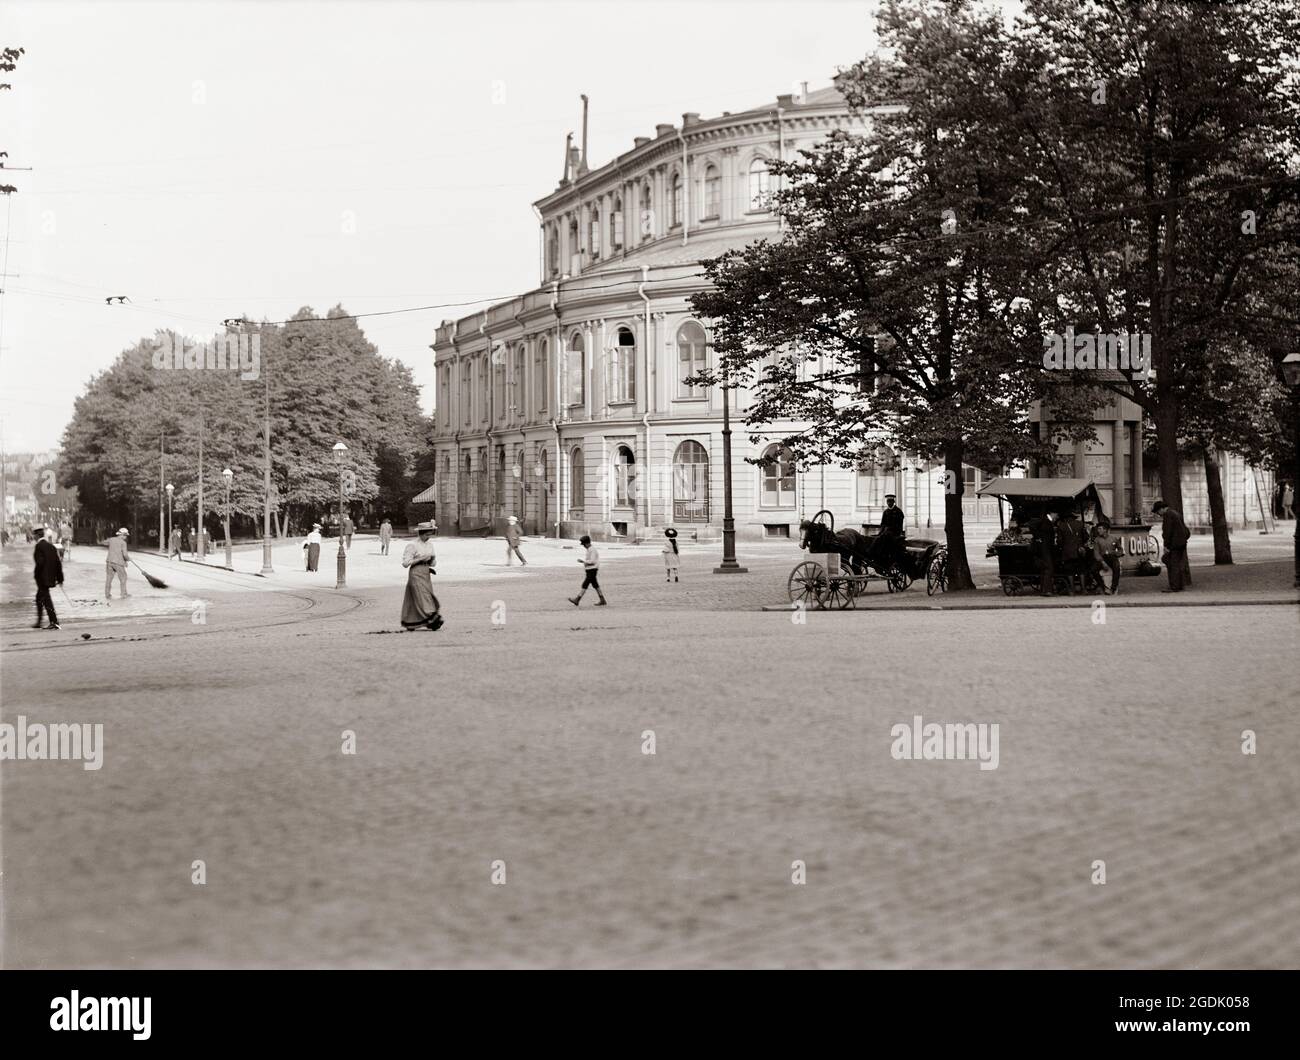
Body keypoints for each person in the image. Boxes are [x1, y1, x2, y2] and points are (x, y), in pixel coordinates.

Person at [400, 520, 443, 631]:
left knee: (424, 596)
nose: (429, 537)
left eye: (430, 534)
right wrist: (420, 559)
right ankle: (432, 618)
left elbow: (433, 562)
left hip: (426, 573)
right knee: (421, 596)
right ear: (422, 533)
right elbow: (405, 563)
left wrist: (432, 560)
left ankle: (413, 621)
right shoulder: (412, 545)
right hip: (416, 573)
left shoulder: (430, 544)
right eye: (427, 534)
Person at [1152, 500, 1191, 592]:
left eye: (1158, 512)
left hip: (1174, 544)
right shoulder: (1175, 513)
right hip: (1181, 543)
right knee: (1176, 564)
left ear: (1161, 509)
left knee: (1173, 564)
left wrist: (1166, 546)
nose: (1158, 514)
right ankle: (1180, 584)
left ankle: (1174, 586)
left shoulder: (1168, 515)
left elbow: (1167, 532)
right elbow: (1186, 530)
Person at [33, 526, 64, 630]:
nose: (33, 537)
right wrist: (60, 578)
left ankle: (54, 621)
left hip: (42, 578)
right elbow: (58, 563)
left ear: (37, 536)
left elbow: (40, 563)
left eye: (34, 535)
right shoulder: (51, 546)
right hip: (49, 578)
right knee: (39, 599)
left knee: (46, 600)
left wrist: (36, 574)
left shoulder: (39, 547)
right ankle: (39, 622)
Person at [569, 535, 607, 606]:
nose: (583, 546)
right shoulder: (590, 549)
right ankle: (602, 600)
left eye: (583, 544)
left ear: (587, 543)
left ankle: (577, 599)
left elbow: (592, 561)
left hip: (592, 570)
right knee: (595, 585)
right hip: (590, 570)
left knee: (585, 584)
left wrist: (583, 561)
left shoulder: (592, 550)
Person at [1026, 511, 1056, 595]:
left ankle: (1044, 589)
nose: (1057, 516)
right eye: (1056, 514)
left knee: (1044, 569)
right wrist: (1038, 537)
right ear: (1052, 513)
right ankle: (1047, 590)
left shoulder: (1044, 521)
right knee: (1049, 568)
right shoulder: (1045, 521)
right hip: (1045, 549)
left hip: (1043, 549)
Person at [1089, 518, 1120, 596]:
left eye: (1100, 529)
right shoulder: (1097, 540)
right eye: (1098, 529)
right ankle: (1103, 586)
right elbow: (1096, 553)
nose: (1098, 530)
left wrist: (1117, 553)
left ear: (1105, 530)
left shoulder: (1113, 538)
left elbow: (1121, 549)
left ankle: (1113, 587)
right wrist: (1103, 562)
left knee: (1117, 567)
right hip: (1102, 558)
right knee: (1093, 570)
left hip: (1112, 557)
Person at [104, 527, 130, 601]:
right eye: (125, 536)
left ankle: (107, 595)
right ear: (122, 535)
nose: (126, 537)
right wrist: (128, 559)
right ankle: (123, 594)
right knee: (123, 578)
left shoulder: (111, 539)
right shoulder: (123, 543)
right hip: (118, 562)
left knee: (109, 578)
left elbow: (104, 542)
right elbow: (125, 554)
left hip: (109, 561)